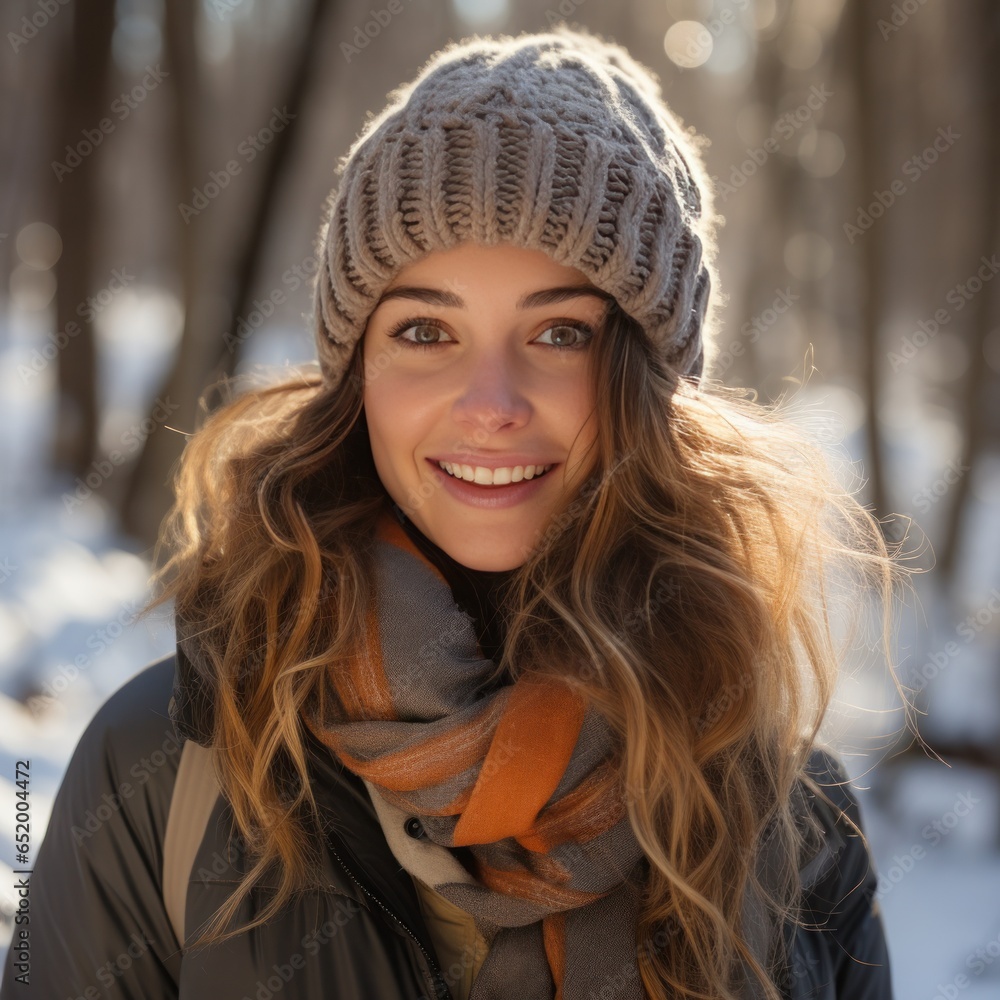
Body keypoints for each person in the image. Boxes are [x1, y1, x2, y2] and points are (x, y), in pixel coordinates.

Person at [1, 23, 912, 1000]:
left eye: (560, 331)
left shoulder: (793, 821)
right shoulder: (167, 768)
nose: (490, 403)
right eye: (425, 330)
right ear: (356, 375)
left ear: (650, 385)